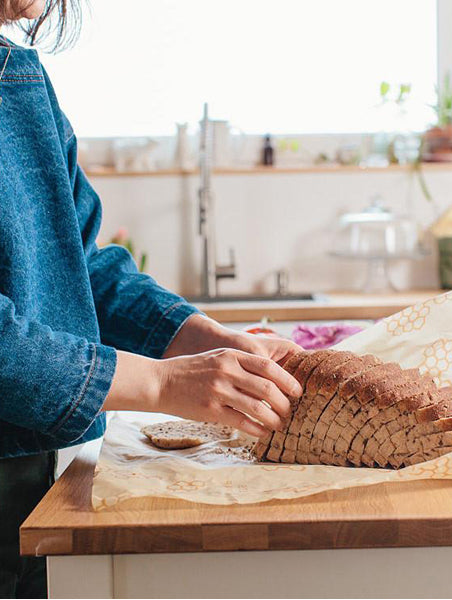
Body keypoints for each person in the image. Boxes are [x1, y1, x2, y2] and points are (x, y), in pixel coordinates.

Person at [0, 1, 302, 597]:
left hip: (28, 470)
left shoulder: (18, 77)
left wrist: (202, 335)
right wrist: (163, 384)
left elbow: (78, 264)